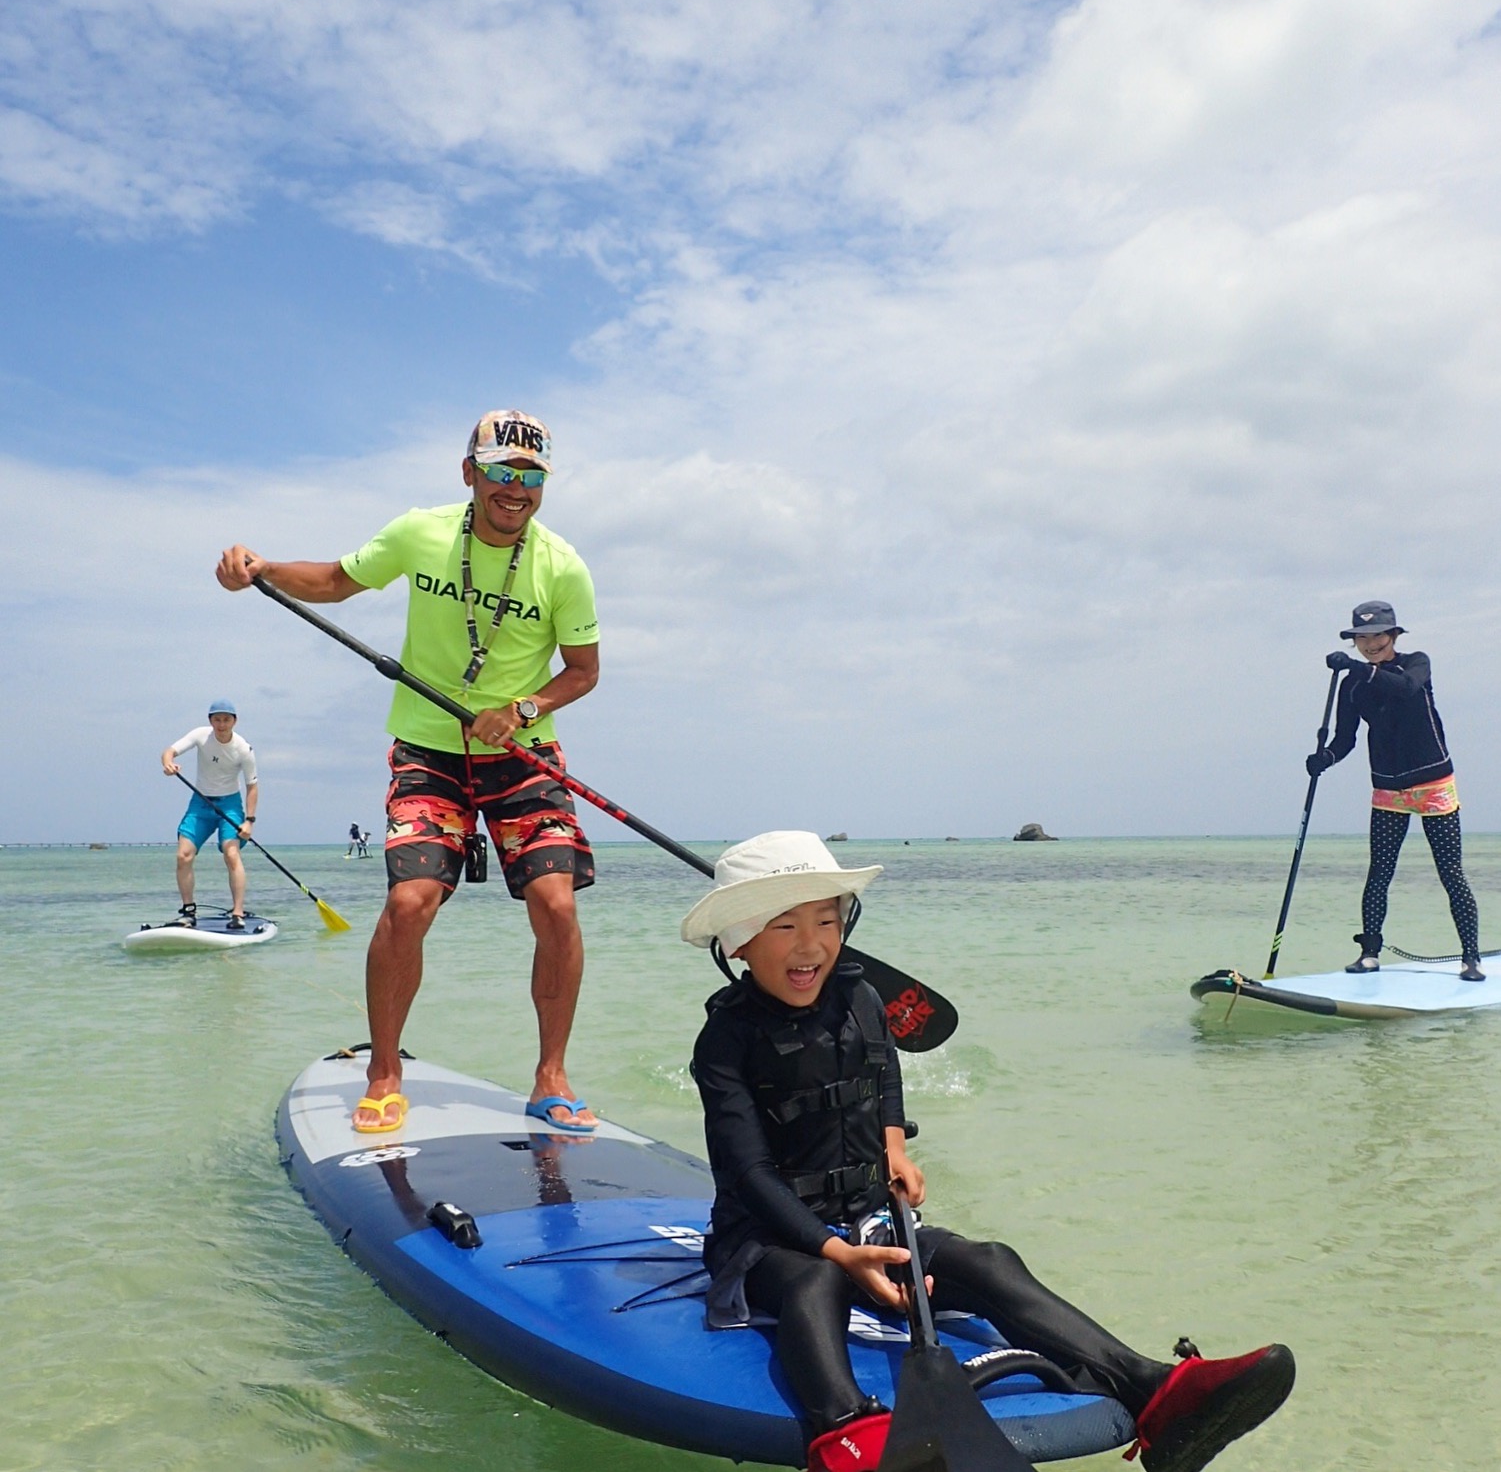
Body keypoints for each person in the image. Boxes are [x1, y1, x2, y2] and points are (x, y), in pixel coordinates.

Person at [684, 832, 1295, 1472]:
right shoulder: (725, 1039)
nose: (811, 944)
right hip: (768, 1242)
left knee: (989, 1260)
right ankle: (845, 1432)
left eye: (827, 921)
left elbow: (883, 1073)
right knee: (818, 1282)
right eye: (785, 926)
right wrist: (840, 1254)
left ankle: (1157, 1392)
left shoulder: (860, 998)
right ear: (740, 942)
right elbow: (750, 1175)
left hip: (868, 1221)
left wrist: (894, 1147)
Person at [216, 409, 601, 1133]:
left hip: (521, 756)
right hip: (429, 752)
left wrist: (521, 709)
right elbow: (335, 581)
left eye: (531, 476)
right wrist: (262, 571)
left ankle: (551, 1075)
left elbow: (582, 671)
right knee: (408, 903)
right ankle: (385, 1071)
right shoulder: (421, 532)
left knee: (556, 904)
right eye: (501, 471)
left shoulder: (563, 566)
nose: (515, 488)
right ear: (470, 472)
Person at [1306, 601, 1482, 981]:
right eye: (1362, 638)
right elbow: (1346, 738)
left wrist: (1358, 668)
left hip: (1433, 782)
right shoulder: (1352, 685)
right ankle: (1369, 954)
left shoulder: (1416, 663)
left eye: (1378, 636)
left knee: (1450, 873)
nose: (1370, 644)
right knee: (1379, 872)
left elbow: (1404, 688)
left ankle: (1471, 958)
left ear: (1394, 635)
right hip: (1388, 787)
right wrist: (1326, 758)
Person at [161, 701, 258, 928]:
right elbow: (169, 751)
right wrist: (168, 763)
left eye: (226, 720)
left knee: (231, 853)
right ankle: (188, 912)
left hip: (230, 805)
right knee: (183, 855)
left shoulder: (243, 749)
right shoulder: (201, 735)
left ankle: (237, 913)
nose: (221, 724)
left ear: (234, 721)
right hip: (201, 803)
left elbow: (252, 787)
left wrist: (249, 821)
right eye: (217, 719)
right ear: (210, 721)